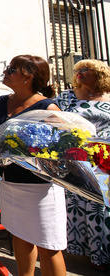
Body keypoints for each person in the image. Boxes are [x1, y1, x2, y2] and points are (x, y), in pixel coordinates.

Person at [0, 54, 65, 276]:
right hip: (10, 183)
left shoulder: (48, 108)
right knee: (20, 235)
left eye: (12, 69)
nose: (6, 71)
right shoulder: (2, 102)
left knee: (48, 245)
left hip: (40, 187)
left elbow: (63, 149)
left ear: (28, 77)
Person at [56, 59, 110, 270]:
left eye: (86, 70)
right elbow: (54, 119)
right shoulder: (67, 97)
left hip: (105, 160)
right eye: (78, 69)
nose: (80, 73)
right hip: (77, 159)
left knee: (102, 207)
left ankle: (102, 256)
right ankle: (81, 252)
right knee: (77, 205)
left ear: (100, 75)